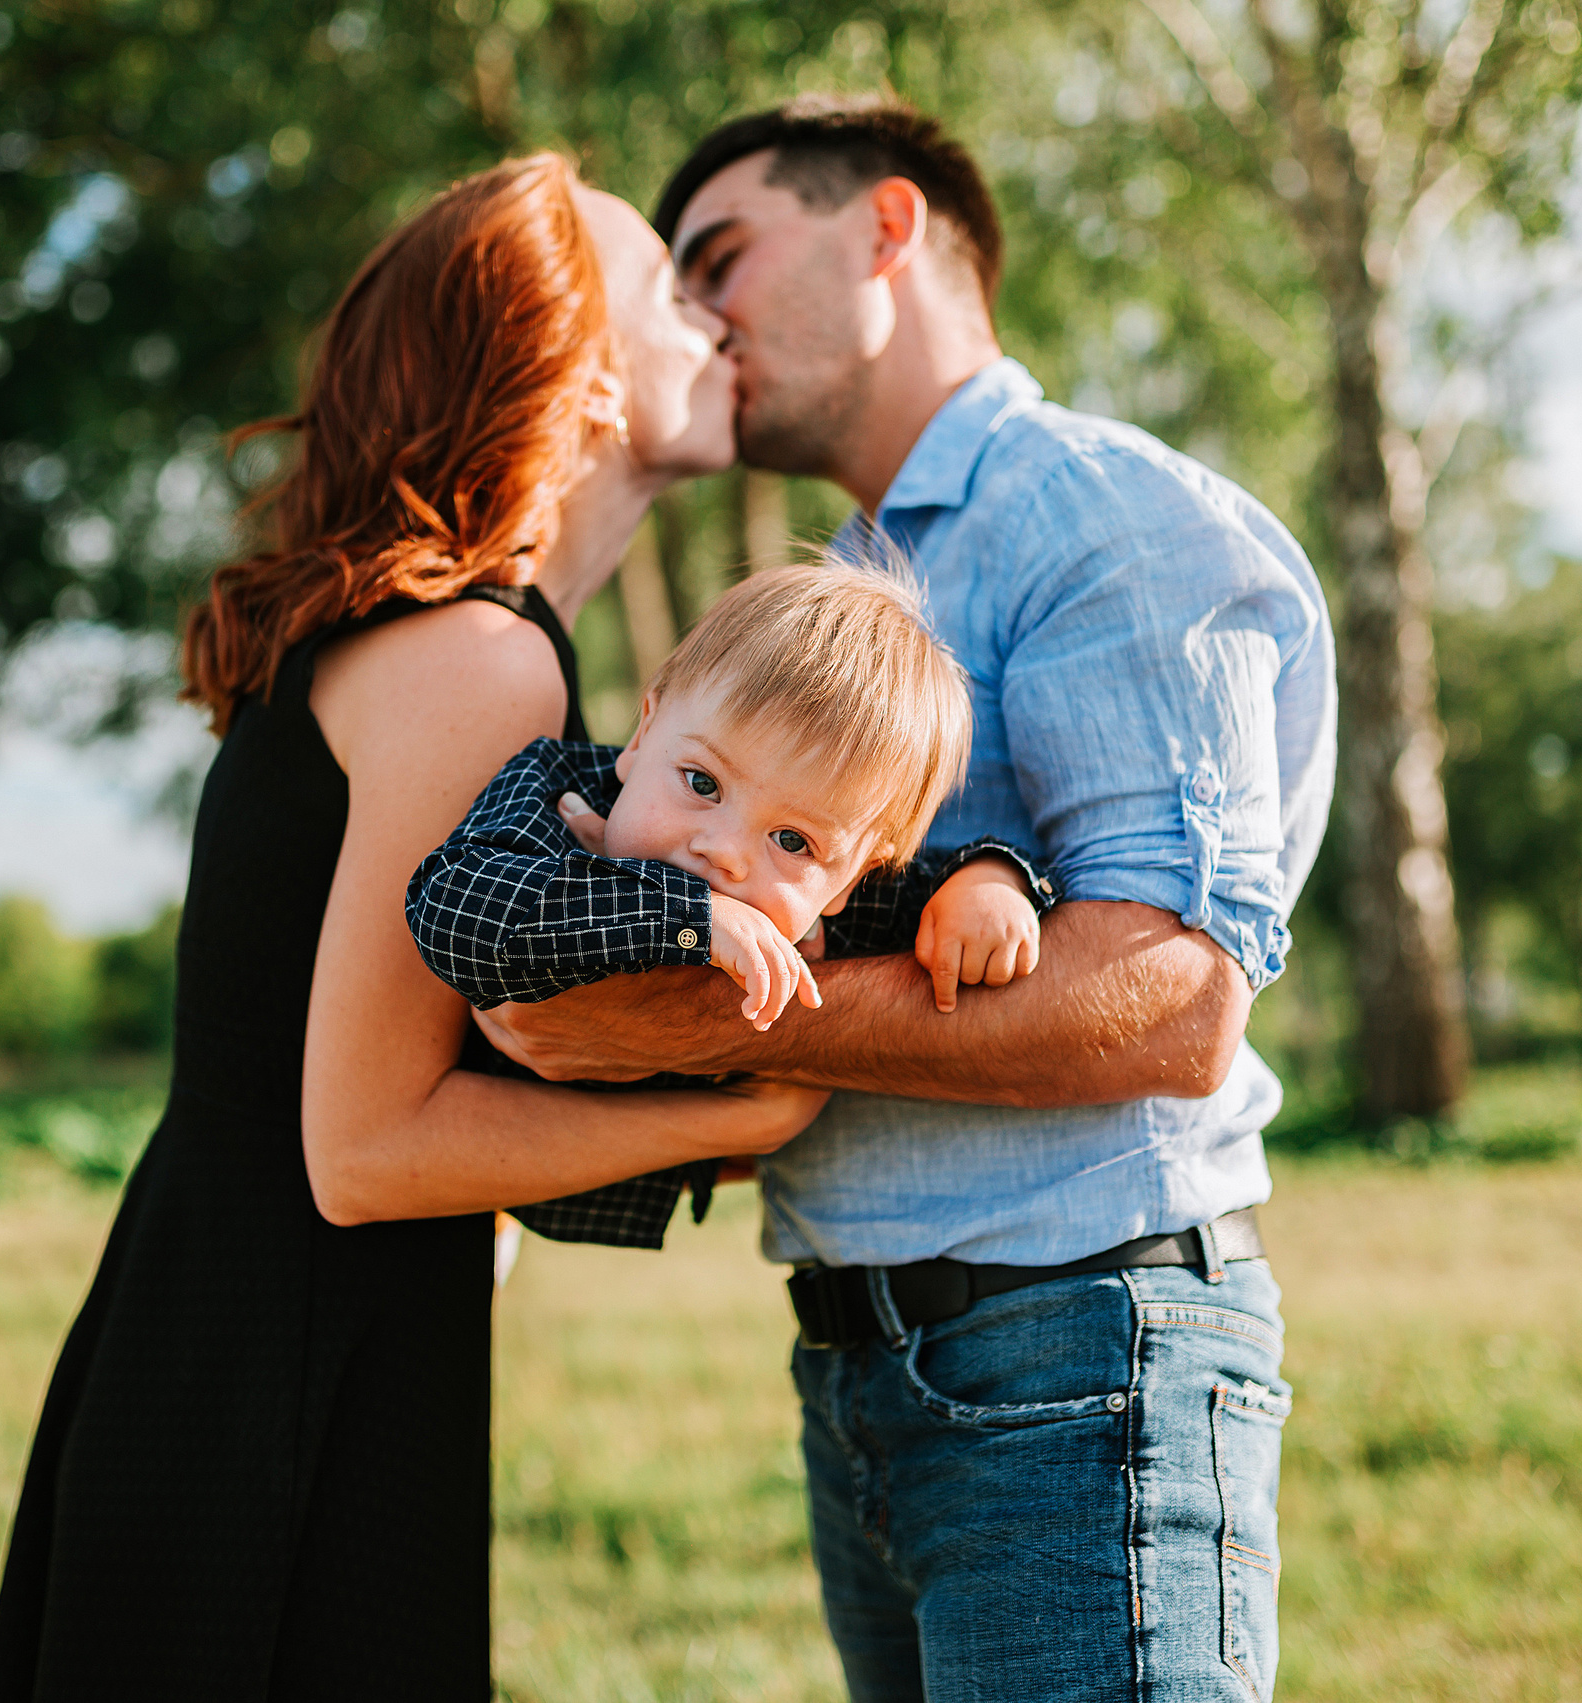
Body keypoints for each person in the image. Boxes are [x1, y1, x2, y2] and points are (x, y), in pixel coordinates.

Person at [476, 100, 1337, 1703]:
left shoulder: (1097, 519)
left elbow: (1172, 997)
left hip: (1075, 1358)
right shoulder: (840, 586)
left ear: (887, 228)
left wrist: (681, 1012)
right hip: (863, 1363)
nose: (701, 316)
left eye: (722, 255)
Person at [0, 153, 827, 1702]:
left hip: (246, 1327)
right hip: (276, 1370)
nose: (715, 327)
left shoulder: (443, 642)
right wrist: (745, 1113)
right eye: (669, 292)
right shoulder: (476, 664)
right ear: (574, 377)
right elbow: (365, 1151)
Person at [409, 560, 1053, 1033]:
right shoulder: (561, 793)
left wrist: (988, 881)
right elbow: (450, 911)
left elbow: (944, 898)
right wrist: (692, 919)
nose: (724, 855)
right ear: (643, 736)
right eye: (702, 783)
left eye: (793, 841)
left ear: (852, 879)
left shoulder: (845, 908)